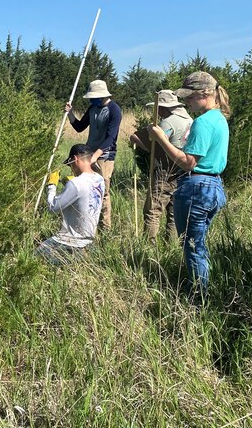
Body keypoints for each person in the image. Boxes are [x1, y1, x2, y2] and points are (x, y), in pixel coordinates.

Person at [148, 71, 230, 300]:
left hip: (197, 187)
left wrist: (161, 139)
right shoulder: (219, 119)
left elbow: (188, 162)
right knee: (198, 244)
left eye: (190, 97)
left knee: (192, 247)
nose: (187, 102)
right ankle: (202, 289)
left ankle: (198, 298)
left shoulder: (203, 122)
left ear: (204, 93)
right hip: (212, 186)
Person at [129, 90, 193, 241]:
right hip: (184, 170)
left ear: (164, 107)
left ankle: (149, 246)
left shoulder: (169, 122)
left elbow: (155, 144)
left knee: (153, 210)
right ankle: (170, 244)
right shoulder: (190, 120)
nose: (157, 112)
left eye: (158, 108)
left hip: (166, 170)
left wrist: (138, 141)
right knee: (173, 212)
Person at [64, 79, 122, 229]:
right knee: (85, 189)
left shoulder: (114, 110)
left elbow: (111, 137)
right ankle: (86, 224)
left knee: (102, 192)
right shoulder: (92, 108)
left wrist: (96, 155)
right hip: (89, 154)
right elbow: (79, 127)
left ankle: (105, 228)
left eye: (93, 97)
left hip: (104, 156)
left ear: (102, 95)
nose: (91, 100)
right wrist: (70, 114)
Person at [36, 144, 106, 266]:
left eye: (70, 165)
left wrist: (52, 185)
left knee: (36, 257)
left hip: (69, 241)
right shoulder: (100, 180)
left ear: (76, 159)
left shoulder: (76, 184)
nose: (72, 169)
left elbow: (52, 208)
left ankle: (67, 261)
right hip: (89, 239)